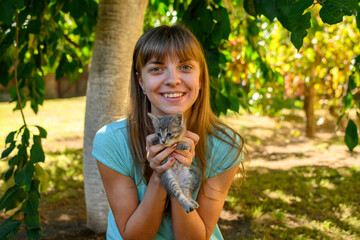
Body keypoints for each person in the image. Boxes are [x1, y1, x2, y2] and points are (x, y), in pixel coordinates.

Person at [92, 25, 247, 240]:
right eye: (156, 68)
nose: (173, 79)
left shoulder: (225, 145)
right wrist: (160, 175)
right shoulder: (111, 141)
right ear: (141, 82)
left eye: (185, 67)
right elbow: (135, 237)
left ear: (201, 79)